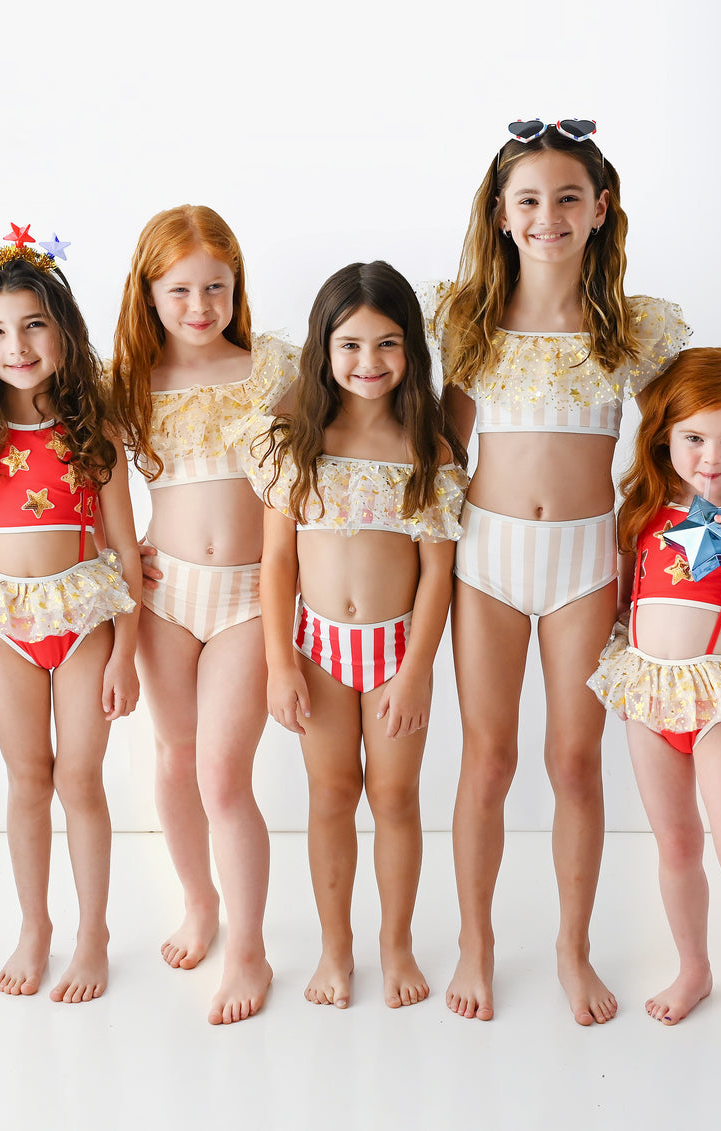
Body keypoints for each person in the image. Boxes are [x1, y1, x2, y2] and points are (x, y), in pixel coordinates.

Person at [428, 119, 689, 1024]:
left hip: (584, 559)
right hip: (486, 559)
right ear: (501, 214)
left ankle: (572, 948)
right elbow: (443, 448)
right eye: (529, 199)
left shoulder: (631, 327)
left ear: (600, 209)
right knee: (487, 758)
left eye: (568, 197)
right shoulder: (467, 319)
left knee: (574, 762)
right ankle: (475, 939)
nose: (548, 215)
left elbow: (678, 445)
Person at [255, 261, 467, 1010]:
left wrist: (415, 671)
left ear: (410, 351)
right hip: (316, 649)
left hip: (394, 651)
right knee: (330, 793)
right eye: (349, 344)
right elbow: (276, 561)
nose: (368, 362)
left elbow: (436, 575)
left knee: (394, 796)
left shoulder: (427, 451)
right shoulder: (295, 443)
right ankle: (336, 947)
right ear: (323, 347)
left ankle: (396, 943)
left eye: (386, 344)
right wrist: (279, 663)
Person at [108, 205, 298, 1024]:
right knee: (174, 757)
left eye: (215, 287)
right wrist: (122, 569)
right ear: (148, 293)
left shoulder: (271, 370)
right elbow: (108, 502)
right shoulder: (124, 387)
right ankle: (198, 902)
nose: (199, 305)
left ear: (235, 286)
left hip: (250, 596)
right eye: (180, 289)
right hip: (164, 595)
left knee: (224, 772)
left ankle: (249, 947)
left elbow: (315, 479)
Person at [588, 346, 721, 1051]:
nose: (711, 457)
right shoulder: (645, 511)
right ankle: (693, 968)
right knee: (675, 844)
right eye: (693, 438)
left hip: (715, 706)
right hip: (648, 695)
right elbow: (622, 602)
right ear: (664, 437)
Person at [0, 234, 141, 1003]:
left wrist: (124, 651)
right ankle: (36, 925)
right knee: (27, 780)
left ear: (61, 329)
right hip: (5, 632)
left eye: (32, 325)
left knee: (79, 778)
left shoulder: (95, 430)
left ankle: (94, 932)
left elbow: (123, 549)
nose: (16, 346)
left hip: (85, 619)